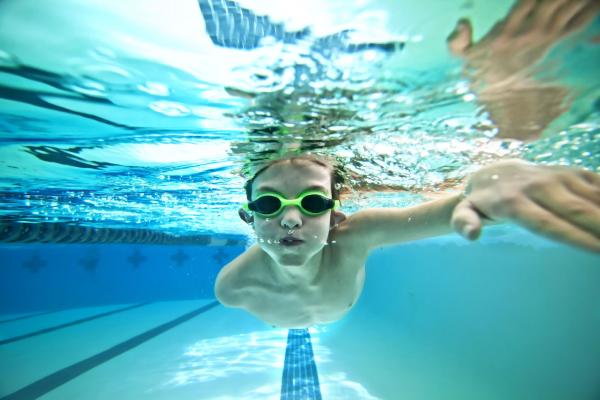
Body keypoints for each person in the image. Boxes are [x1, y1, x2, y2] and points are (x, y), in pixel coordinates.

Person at [215, 154, 600, 328]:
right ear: (248, 215)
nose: (290, 219)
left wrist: (486, 196)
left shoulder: (355, 237)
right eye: (268, 202)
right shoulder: (232, 287)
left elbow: (449, 212)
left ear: (336, 215)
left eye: (313, 201)